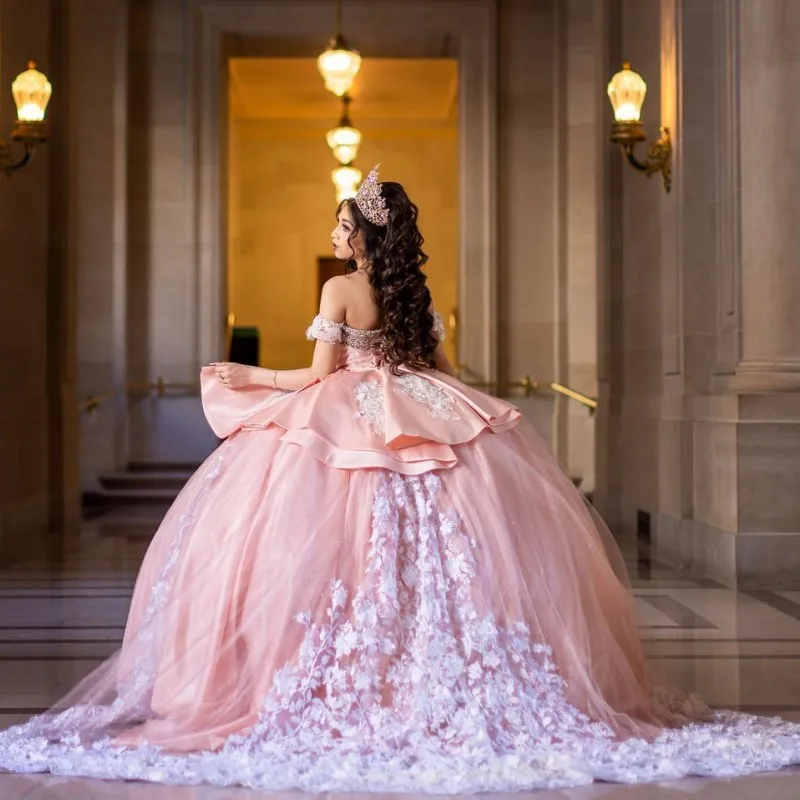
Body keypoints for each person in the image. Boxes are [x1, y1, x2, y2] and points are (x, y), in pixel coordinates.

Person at [1, 165, 799, 792]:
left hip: (350, 409)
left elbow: (317, 376)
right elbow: (437, 367)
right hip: (425, 405)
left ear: (358, 236)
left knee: (327, 543)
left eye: (339, 222)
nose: (332, 231)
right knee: (453, 548)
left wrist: (242, 378)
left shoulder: (339, 288)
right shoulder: (414, 292)